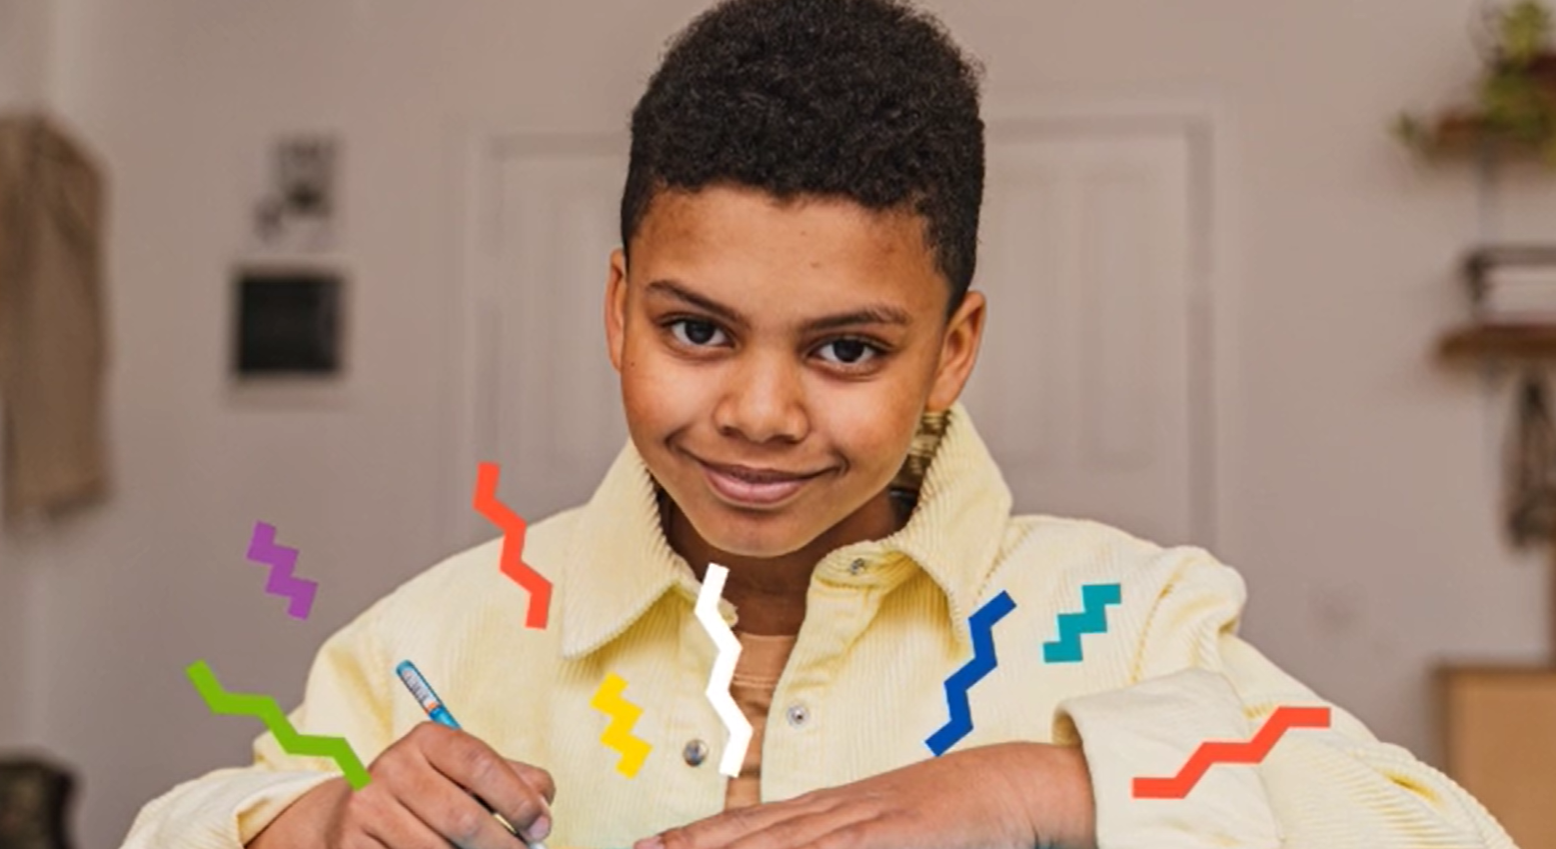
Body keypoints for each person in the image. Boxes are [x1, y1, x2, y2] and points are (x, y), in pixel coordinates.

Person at [121, 0, 1520, 847]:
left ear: (951, 351)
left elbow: (1441, 832)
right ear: (617, 309)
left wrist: (1040, 787)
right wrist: (314, 823)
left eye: (847, 348)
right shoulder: (440, 641)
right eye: (696, 330)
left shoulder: (1132, 621)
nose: (760, 411)